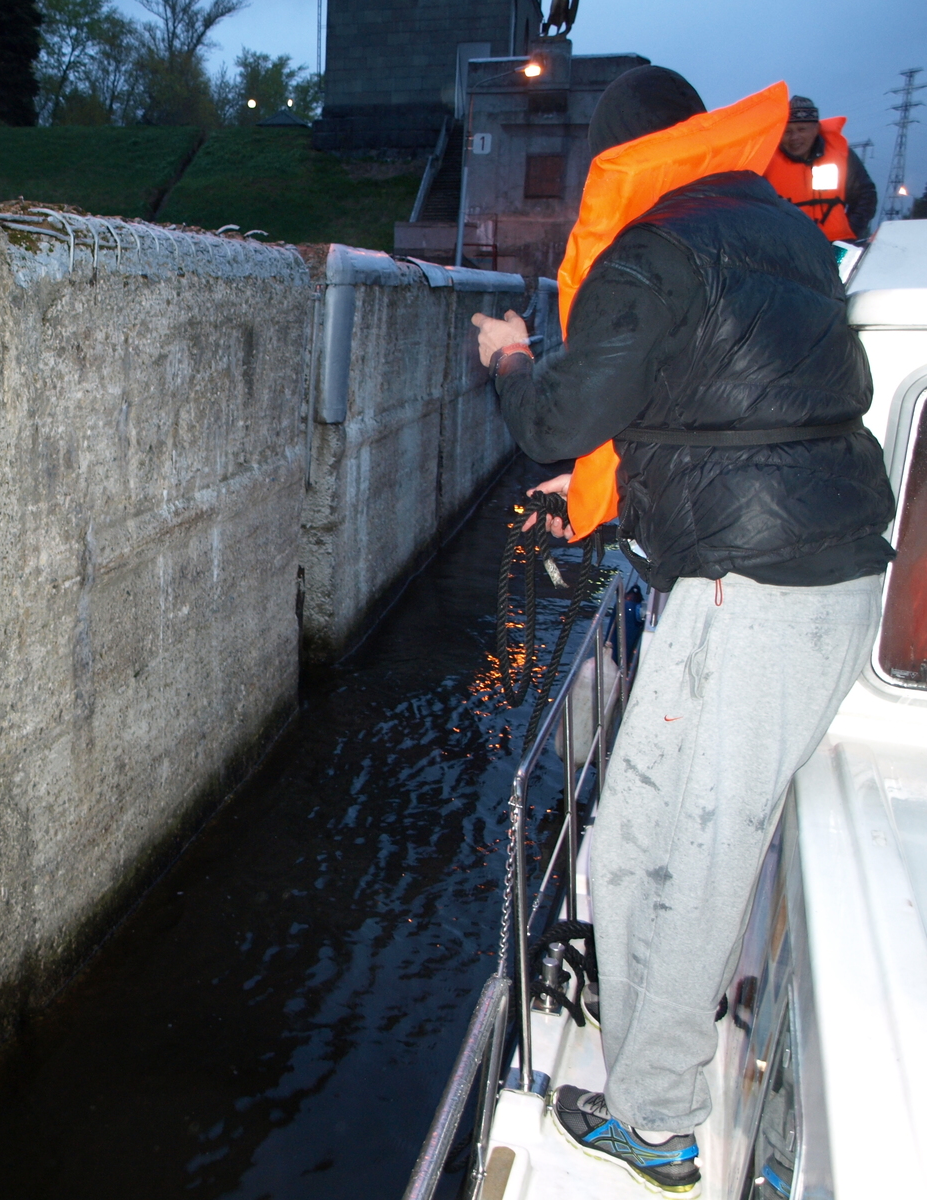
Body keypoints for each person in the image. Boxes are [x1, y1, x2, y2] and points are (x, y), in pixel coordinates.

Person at [472, 66, 894, 1194]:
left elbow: (559, 415)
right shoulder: (776, 230)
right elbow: (728, 399)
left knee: (686, 852)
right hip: (797, 572)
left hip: (753, 595)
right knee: (634, 837)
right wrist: (598, 499)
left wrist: (511, 354)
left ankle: (653, 1124)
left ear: (622, 155)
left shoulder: (654, 247)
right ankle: (648, 1068)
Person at [763, 94, 877, 240]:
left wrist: (852, 231)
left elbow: (866, 196)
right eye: (787, 131)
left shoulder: (841, 156)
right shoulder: (765, 163)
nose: (794, 137)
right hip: (788, 251)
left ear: (816, 129)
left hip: (836, 248)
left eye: (801, 129)